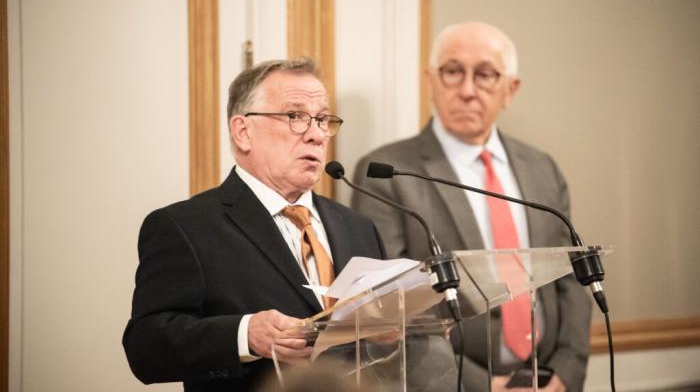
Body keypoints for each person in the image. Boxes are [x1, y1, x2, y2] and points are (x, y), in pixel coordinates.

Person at [352, 22, 592, 392]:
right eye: (452, 72)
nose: (466, 90)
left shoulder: (542, 168)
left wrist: (566, 371)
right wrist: (481, 385)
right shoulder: (386, 174)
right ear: (431, 81)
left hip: (550, 380)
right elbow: (391, 307)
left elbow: (572, 279)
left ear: (510, 90)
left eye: (484, 75)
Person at [123, 58, 386, 392]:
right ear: (242, 131)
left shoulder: (358, 227)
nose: (317, 135)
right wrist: (244, 335)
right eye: (295, 117)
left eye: (322, 119)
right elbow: (146, 347)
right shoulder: (185, 227)